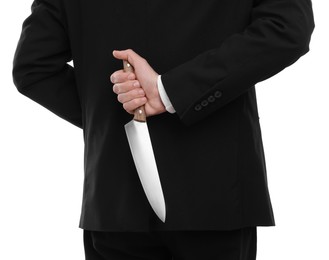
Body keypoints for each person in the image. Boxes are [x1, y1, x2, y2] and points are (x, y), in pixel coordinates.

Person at [12, 0, 314, 259]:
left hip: (115, 201)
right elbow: (287, 28)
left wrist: (127, 107)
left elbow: (33, 67)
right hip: (217, 192)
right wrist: (172, 93)